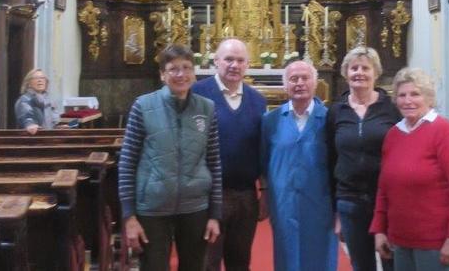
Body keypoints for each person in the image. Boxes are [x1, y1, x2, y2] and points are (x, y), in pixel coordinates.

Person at [118, 45, 222, 271]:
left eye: (186, 68)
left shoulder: (207, 108)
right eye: (173, 69)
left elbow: (214, 162)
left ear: (194, 73)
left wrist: (215, 214)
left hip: (196, 206)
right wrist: (129, 216)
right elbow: (127, 162)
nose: (181, 74)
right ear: (162, 75)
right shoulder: (143, 106)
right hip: (152, 207)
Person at [371, 68, 449, 271]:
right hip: (401, 241)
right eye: (402, 95)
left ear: (428, 98)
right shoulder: (393, 135)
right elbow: (384, 187)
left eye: (415, 94)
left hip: (437, 243)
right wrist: (380, 229)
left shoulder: (445, 133)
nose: (408, 101)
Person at [191, 38, 268, 271]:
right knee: (207, 263)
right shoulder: (197, 93)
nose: (235, 65)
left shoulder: (258, 100)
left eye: (240, 60)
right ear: (216, 61)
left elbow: (261, 148)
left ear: (248, 64)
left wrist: (264, 190)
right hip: (208, 195)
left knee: (240, 262)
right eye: (229, 59)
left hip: (245, 195)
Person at [327, 47, 400, 271]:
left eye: (365, 68)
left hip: (388, 200)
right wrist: (336, 213)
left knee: (392, 263)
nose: (359, 73)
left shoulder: (391, 108)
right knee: (361, 265)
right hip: (350, 200)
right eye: (354, 68)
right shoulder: (336, 110)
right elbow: (331, 160)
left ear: (375, 73)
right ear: (345, 73)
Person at [262, 60, 337, 271]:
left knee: (320, 256)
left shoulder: (330, 119)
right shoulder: (270, 120)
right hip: (284, 203)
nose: (300, 83)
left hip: (320, 202)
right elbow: (264, 160)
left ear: (315, 82)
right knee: (287, 256)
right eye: (293, 79)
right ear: (285, 85)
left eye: (305, 78)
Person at [15, 68, 57, 134]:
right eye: (36, 78)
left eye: (42, 78)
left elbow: (54, 121)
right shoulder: (25, 99)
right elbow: (26, 116)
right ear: (28, 83)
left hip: (48, 136)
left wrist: (60, 126)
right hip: (32, 137)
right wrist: (30, 124)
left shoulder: (50, 100)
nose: (40, 80)